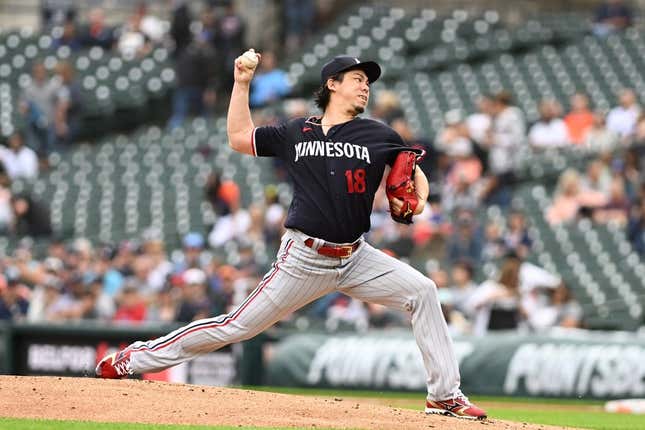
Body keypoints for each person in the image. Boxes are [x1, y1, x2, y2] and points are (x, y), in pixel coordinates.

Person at [96, 53, 487, 420]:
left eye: (367, 81)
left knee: (423, 291)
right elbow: (239, 136)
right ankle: (135, 358)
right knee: (236, 326)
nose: (365, 86)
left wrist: (419, 193)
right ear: (332, 84)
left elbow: (412, 171)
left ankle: (444, 394)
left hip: (356, 257)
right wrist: (241, 83)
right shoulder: (296, 129)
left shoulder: (378, 134)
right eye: (357, 79)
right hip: (304, 257)